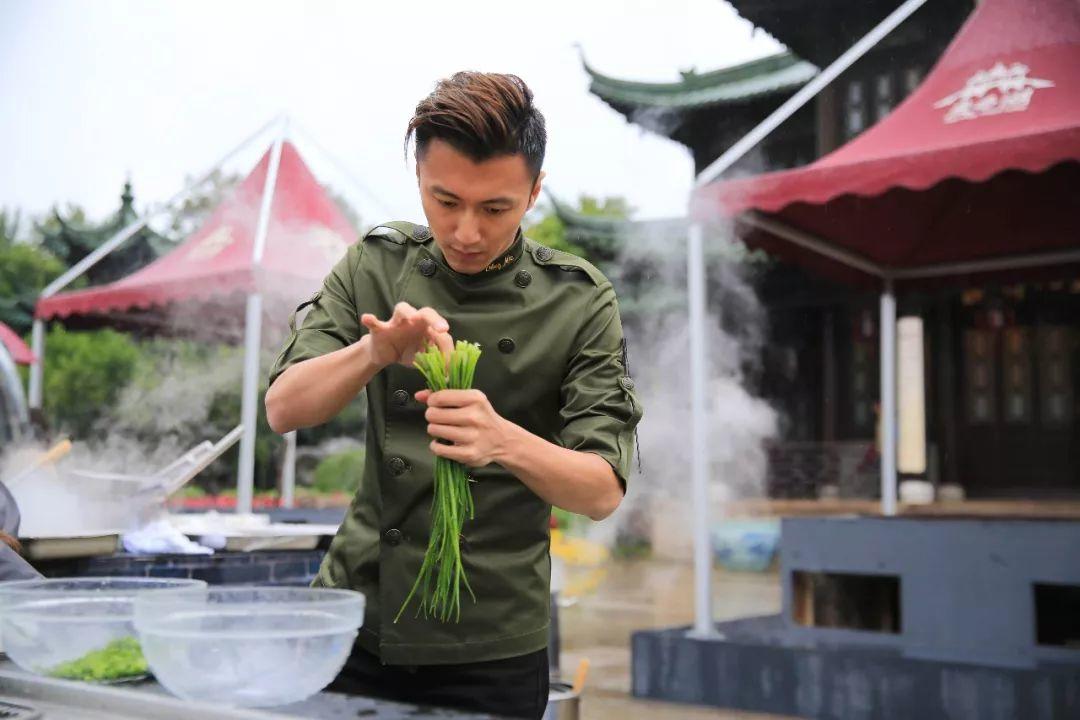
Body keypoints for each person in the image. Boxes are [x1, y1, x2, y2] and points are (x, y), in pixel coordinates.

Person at [264, 71, 642, 719]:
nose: (466, 231)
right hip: (355, 620)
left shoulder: (578, 300)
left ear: (534, 193)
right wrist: (374, 352)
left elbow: (601, 491)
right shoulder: (376, 265)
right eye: (445, 201)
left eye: (495, 208)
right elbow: (283, 409)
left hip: (493, 644)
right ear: (418, 178)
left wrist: (502, 440)